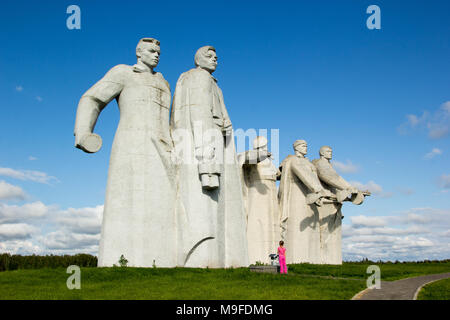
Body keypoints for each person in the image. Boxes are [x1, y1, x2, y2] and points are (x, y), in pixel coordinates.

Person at [73, 38, 177, 267]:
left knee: (163, 208)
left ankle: (161, 262)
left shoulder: (164, 82)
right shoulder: (124, 73)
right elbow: (92, 98)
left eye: (159, 51)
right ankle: (121, 261)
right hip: (132, 145)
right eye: (151, 50)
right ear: (139, 52)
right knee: (130, 202)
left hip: (163, 148)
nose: (156, 55)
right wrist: (83, 132)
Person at [170, 45, 248, 268]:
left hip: (208, 146)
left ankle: (213, 260)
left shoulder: (209, 83)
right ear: (198, 59)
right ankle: (202, 260)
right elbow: (200, 115)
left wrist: (224, 123)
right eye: (209, 56)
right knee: (205, 211)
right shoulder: (198, 78)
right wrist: (207, 162)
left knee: (213, 211)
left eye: (216, 57)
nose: (215, 60)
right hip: (204, 152)